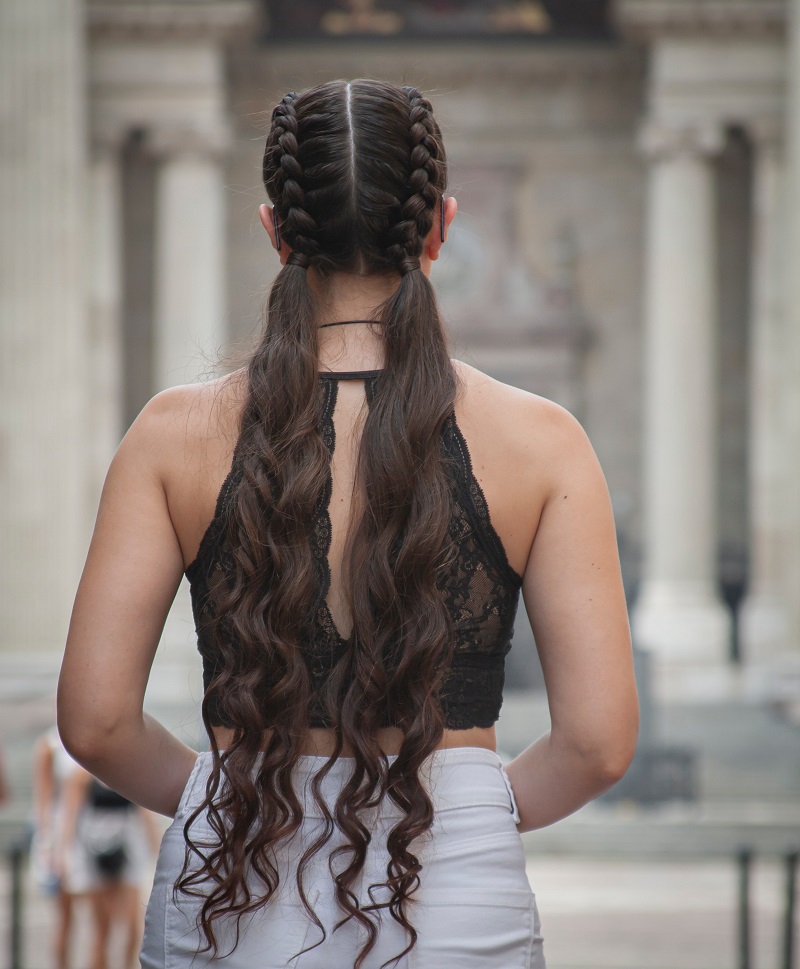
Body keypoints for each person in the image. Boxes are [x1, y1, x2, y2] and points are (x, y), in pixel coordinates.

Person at [57, 79, 639, 968]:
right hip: (456, 889)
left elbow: (95, 722)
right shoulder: (542, 441)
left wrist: (218, 790)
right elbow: (597, 743)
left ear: (277, 233)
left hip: (229, 884)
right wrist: (476, 800)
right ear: (438, 227)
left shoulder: (171, 437)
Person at [59, 769, 160, 969]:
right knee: (101, 928)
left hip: (127, 850)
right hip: (95, 853)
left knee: (133, 924)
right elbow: (71, 814)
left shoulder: (128, 771)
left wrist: (157, 848)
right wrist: (65, 854)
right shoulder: (82, 776)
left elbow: (144, 811)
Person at [32, 727, 82, 969]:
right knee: (65, 917)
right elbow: (43, 797)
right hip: (62, 833)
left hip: (90, 832)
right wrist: (47, 843)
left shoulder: (92, 740)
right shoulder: (50, 745)